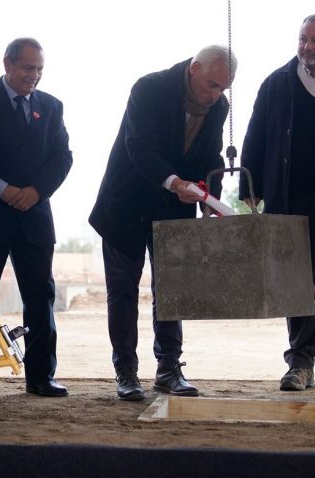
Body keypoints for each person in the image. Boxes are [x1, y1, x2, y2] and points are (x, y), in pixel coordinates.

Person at [89, 45, 236, 401]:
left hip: (175, 208)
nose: (215, 95)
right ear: (193, 68)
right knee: (122, 292)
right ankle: (126, 372)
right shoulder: (149, 89)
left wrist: (211, 198)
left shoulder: (219, 106)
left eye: (223, 88)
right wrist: (175, 183)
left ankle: (169, 369)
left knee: (173, 291)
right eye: (212, 84)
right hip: (126, 204)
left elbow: (210, 154)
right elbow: (139, 147)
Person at [240, 13, 315, 392]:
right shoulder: (276, 83)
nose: (307, 47)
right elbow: (256, 134)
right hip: (288, 199)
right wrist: (251, 187)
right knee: (293, 286)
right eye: (303, 39)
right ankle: (301, 364)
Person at [0, 38, 74, 398]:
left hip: (35, 216)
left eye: (39, 70)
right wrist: (1, 189)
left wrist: (35, 191)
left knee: (40, 297)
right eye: (27, 68)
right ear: (7, 64)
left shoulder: (51, 106)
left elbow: (62, 157)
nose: (34, 76)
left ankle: (41, 376)